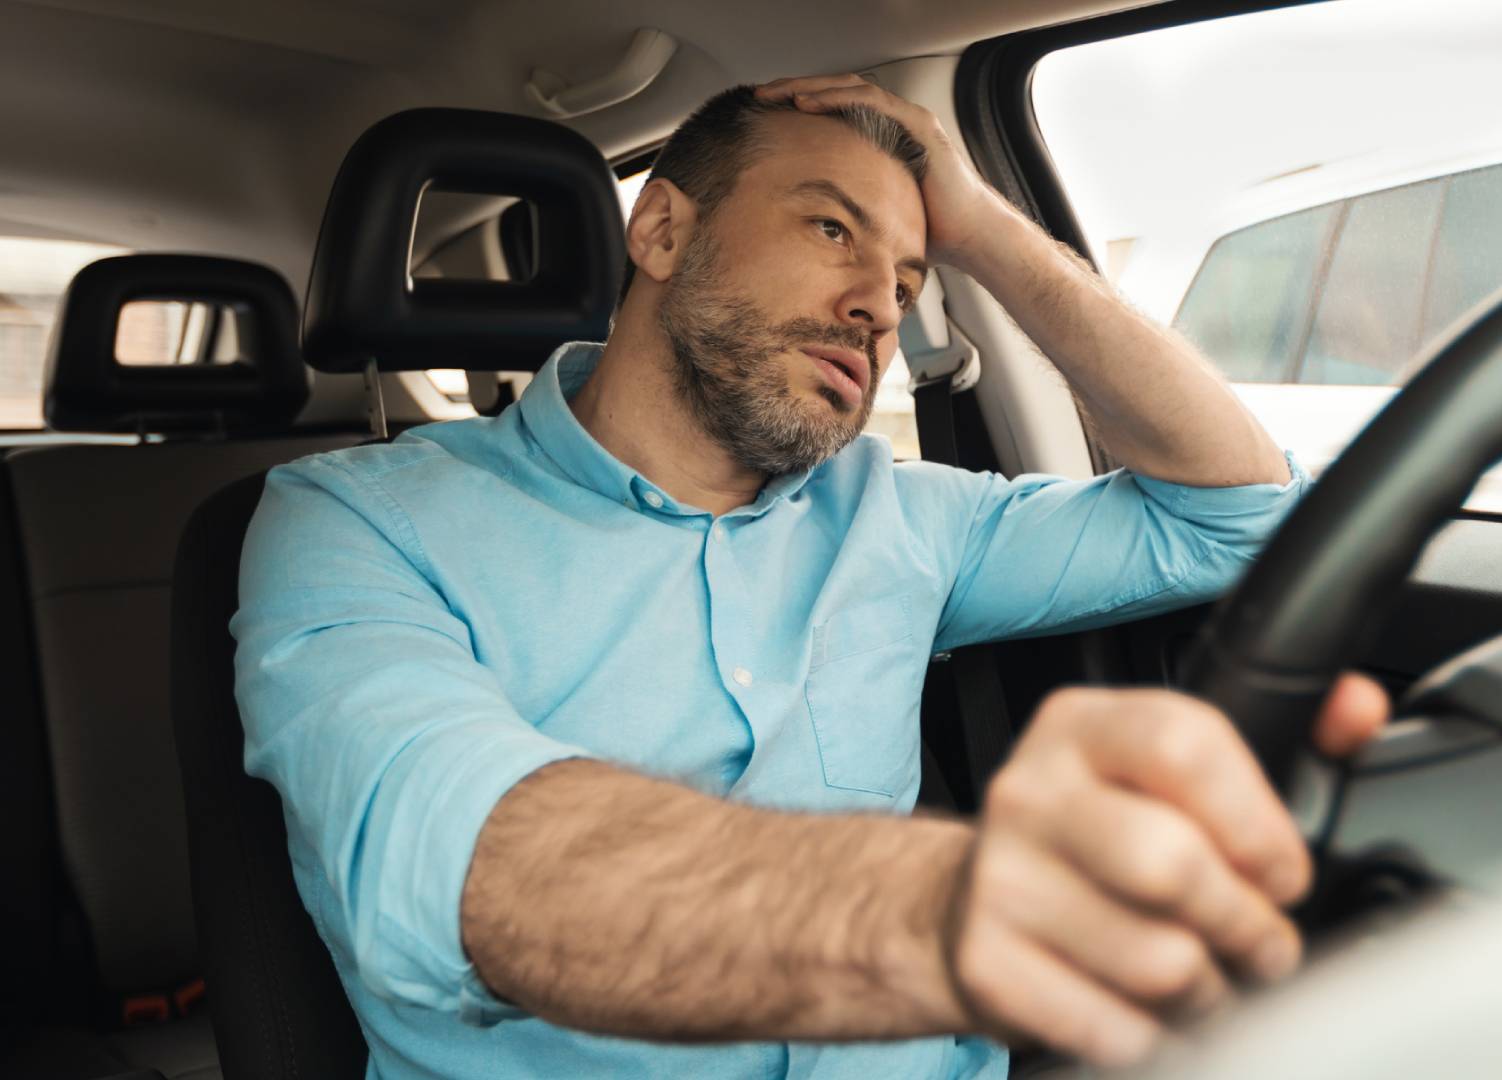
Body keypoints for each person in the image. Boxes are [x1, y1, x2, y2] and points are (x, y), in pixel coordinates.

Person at [233, 74, 1387, 1079]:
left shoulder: (902, 514)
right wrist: (974, 909)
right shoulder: (352, 521)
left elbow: (1240, 517)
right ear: (662, 233)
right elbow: (462, 860)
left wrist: (986, 232)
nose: (877, 306)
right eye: (832, 229)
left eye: (908, 281)